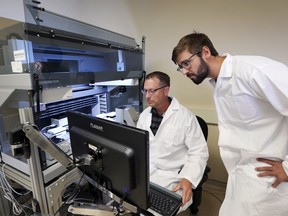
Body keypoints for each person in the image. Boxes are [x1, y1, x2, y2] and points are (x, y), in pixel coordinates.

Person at [171, 32, 288, 216]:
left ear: (206, 51)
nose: (184, 71)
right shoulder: (218, 82)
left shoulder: (252, 71)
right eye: (180, 67)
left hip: (269, 181)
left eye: (186, 63)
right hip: (240, 177)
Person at [136, 71, 209, 212]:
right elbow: (141, 146)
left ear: (166, 90)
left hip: (173, 176)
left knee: (161, 209)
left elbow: (199, 152)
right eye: (145, 91)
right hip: (148, 172)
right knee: (133, 202)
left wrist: (188, 179)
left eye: (152, 91)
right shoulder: (144, 116)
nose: (147, 96)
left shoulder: (185, 117)